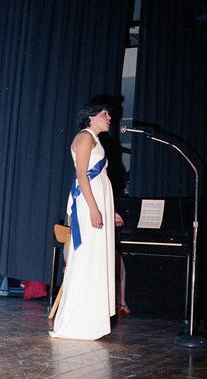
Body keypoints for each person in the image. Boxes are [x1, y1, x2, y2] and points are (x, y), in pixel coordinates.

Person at [49, 97, 121, 340]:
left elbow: (98, 177)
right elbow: (82, 175)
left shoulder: (96, 140)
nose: (109, 118)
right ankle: (78, 320)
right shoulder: (84, 137)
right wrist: (93, 209)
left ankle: (91, 319)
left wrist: (109, 210)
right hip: (87, 204)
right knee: (87, 258)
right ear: (91, 116)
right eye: (104, 114)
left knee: (96, 259)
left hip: (96, 204)